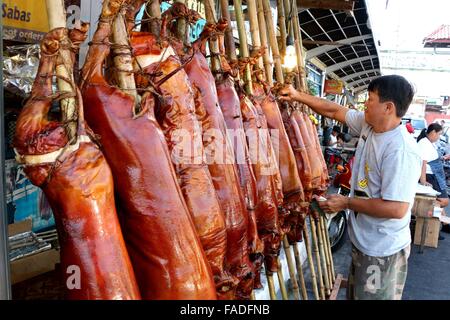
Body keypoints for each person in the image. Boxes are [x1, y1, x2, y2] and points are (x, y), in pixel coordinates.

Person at [279, 75, 422, 300]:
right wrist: (298, 96)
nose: (366, 104)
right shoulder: (369, 125)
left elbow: (396, 208)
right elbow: (334, 111)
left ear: (388, 107)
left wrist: (345, 202)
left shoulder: (400, 150)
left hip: (382, 250)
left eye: (371, 99)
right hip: (364, 241)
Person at [416, 123, 450, 208]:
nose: (439, 137)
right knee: (444, 201)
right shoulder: (424, 143)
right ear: (433, 132)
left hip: (435, 175)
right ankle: (419, 206)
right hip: (430, 175)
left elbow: (430, 158)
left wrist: (442, 158)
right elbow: (422, 163)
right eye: (439, 134)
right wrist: (423, 181)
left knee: (441, 200)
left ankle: (438, 215)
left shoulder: (429, 142)